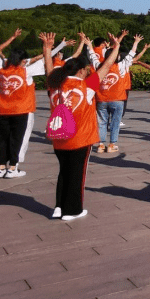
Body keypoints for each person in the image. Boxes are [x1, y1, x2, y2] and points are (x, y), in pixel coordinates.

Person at [42, 32, 118, 221]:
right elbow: (107, 65)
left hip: (59, 139)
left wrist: (47, 49)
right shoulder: (87, 86)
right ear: (82, 71)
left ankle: (59, 207)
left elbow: (49, 68)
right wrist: (116, 47)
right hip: (80, 139)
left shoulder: (54, 85)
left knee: (64, 172)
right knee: (77, 175)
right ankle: (72, 210)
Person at [0, 38, 65, 178]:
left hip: (4, 110)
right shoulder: (26, 71)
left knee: (4, 138)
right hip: (21, 110)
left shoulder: (0, 70)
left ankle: (0, 167)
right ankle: (12, 168)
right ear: (22, 60)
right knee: (17, 139)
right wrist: (51, 47)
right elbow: (44, 61)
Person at [93, 31, 142, 154]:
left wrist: (88, 45)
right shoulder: (120, 66)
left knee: (102, 122)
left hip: (101, 99)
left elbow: (91, 55)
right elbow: (131, 54)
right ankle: (112, 144)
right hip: (117, 99)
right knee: (115, 123)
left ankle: (100, 144)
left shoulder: (99, 66)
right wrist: (135, 42)